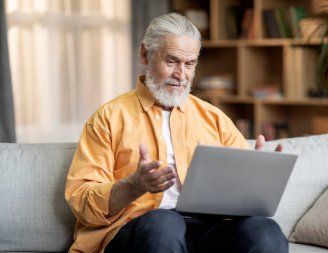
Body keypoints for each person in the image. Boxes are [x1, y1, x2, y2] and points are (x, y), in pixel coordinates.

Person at [65, 12, 287, 253]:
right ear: (144, 55)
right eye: (171, 61)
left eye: (189, 64)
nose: (181, 75)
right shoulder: (108, 118)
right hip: (137, 230)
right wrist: (134, 186)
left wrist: (255, 182)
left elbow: (242, 202)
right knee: (164, 222)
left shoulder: (214, 119)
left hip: (205, 230)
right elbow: (82, 201)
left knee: (264, 230)